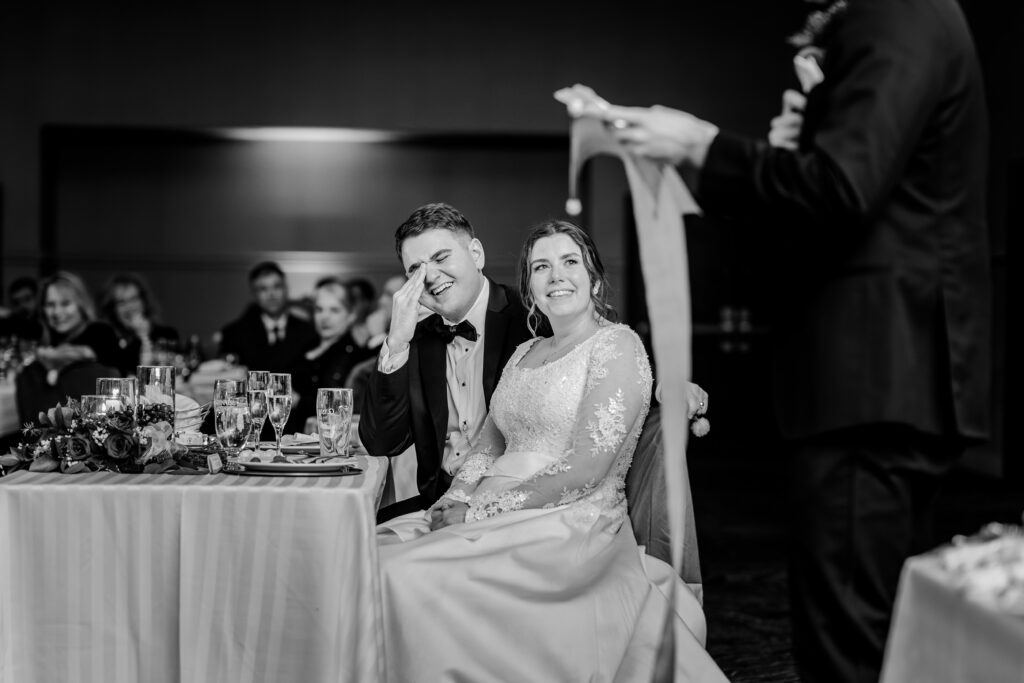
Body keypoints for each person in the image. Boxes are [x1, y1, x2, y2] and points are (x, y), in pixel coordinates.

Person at [565, 1, 992, 680]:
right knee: (873, 636)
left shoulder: (898, 12)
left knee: (847, 647)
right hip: (883, 376)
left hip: (872, 376)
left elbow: (843, 187)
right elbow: (838, 194)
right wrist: (793, 150)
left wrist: (700, 143)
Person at [375, 219, 725, 682]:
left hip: (568, 522)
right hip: (492, 510)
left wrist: (479, 510)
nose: (556, 275)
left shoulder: (617, 344)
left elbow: (586, 466)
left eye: (569, 262)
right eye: (541, 267)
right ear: (531, 289)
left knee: (404, 576)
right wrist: (456, 498)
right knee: (370, 558)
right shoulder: (524, 353)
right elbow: (489, 441)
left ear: (594, 279)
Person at [358, 203, 533, 521]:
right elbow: (382, 440)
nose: (431, 277)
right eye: (416, 270)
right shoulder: (417, 341)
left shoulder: (531, 320)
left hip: (514, 506)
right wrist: (396, 342)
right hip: (436, 503)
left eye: (441, 258)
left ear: (476, 254)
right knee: (353, 539)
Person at [15, 272, 122, 423]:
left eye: (65, 303)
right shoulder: (43, 338)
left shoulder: (100, 332)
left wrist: (48, 356)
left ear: (81, 304)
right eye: (50, 305)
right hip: (44, 428)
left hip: (95, 426)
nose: (57, 312)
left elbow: (88, 354)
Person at [291, 277, 376, 429]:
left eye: (334, 310)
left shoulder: (354, 356)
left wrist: (298, 401)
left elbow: (339, 406)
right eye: (319, 309)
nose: (325, 317)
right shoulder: (303, 346)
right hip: (292, 439)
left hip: (326, 441)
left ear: (351, 315)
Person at [100, 273, 180, 377]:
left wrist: (145, 337)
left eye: (134, 299)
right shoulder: (107, 341)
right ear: (112, 309)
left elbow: (175, 372)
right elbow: (123, 374)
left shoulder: (167, 334)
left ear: (144, 301)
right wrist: (141, 336)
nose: (130, 307)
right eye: (121, 302)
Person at [0, 276, 43, 342]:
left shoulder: (45, 319)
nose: (22, 306)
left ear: (37, 297)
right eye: (16, 302)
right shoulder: (10, 322)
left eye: (27, 299)